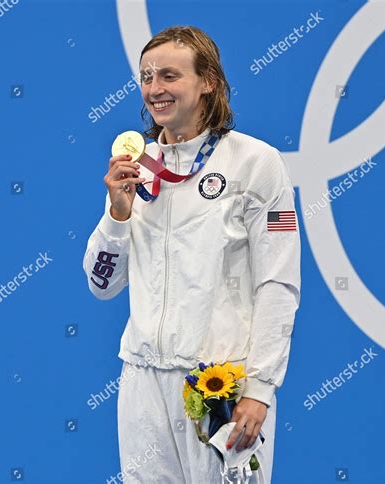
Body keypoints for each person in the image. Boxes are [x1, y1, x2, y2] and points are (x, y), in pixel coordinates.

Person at [83, 25, 301, 483]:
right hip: (142, 382)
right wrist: (118, 216)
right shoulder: (134, 168)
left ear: (209, 83)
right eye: (146, 77)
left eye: (169, 75)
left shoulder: (256, 163)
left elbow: (278, 282)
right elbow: (101, 286)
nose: (154, 89)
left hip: (219, 383)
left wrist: (260, 389)